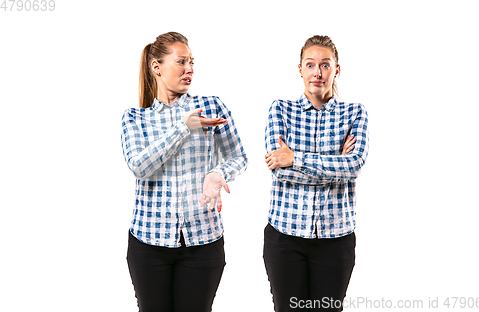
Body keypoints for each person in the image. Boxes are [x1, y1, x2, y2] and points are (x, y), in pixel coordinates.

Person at [121, 32, 247, 312]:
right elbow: (139, 167)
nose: (190, 68)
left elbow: (239, 156)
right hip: (148, 243)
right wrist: (182, 128)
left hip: (203, 242)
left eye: (192, 62)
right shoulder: (135, 118)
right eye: (181, 62)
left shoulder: (212, 106)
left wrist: (218, 173)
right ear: (157, 67)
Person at [263, 35, 369, 312]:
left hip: (336, 239)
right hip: (285, 237)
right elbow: (279, 173)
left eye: (325, 65)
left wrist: (294, 158)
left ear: (337, 69)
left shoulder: (355, 113)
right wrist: (336, 165)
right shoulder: (280, 110)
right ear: (300, 69)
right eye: (310, 65)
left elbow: (355, 165)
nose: (317, 72)